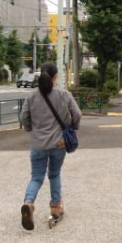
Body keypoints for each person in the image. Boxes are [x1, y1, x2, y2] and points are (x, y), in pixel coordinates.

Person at [19, 62, 82, 230]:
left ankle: (29, 203)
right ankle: (55, 206)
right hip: (59, 143)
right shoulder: (64, 95)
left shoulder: (31, 96)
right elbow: (77, 114)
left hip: (38, 144)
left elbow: (24, 116)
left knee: (36, 177)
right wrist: (72, 127)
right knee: (54, 174)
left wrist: (31, 129)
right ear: (55, 77)